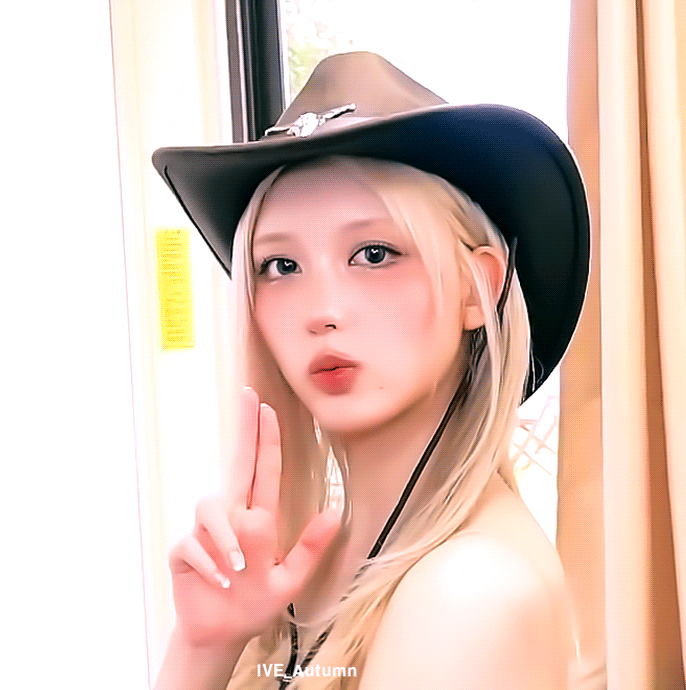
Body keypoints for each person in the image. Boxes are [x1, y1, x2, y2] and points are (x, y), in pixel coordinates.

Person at [151, 52, 590, 689]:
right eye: (280, 266)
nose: (322, 312)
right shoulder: (316, 560)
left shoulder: (468, 593)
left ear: (478, 288)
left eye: (375, 254)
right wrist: (204, 646)